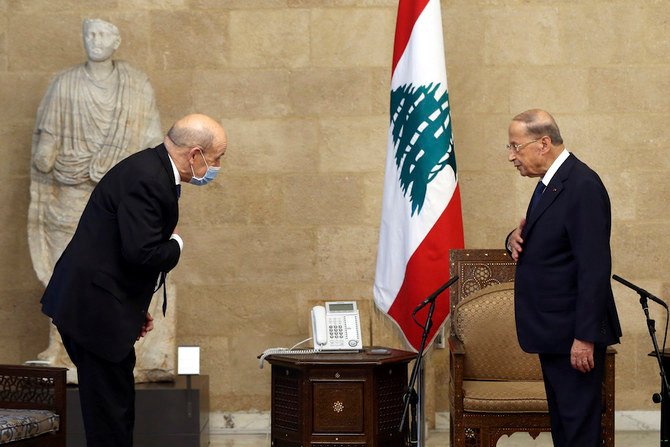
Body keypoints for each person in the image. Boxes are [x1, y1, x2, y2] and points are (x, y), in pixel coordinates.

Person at [40, 113, 228, 447]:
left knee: (115, 411)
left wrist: (130, 311)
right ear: (195, 154)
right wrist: (176, 245)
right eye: (217, 159)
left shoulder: (150, 169)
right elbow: (141, 253)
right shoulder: (148, 178)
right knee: (109, 419)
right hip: (92, 312)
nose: (216, 167)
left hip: (100, 308)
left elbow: (114, 251)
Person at [29, 18, 166, 381]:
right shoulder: (64, 84)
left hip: (120, 195)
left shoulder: (136, 85)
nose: (96, 40)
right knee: (68, 268)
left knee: (119, 269)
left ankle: (123, 345)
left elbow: (151, 142)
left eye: (104, 34)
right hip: (71, 190)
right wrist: (46, 152)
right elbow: (47, 142)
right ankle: (62, 347)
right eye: (89, 33)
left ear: (117, 41)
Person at [505, 109, 621, 447]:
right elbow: (551, 243)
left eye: (516, 146)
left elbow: (594, 267)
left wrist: (584, 337)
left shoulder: (581, 184)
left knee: (579, 431)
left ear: (543, 143)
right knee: (565, 428)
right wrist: (512, 238)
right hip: (553, 331)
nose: (511, 156)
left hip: (573, 335)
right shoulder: (550, 183)